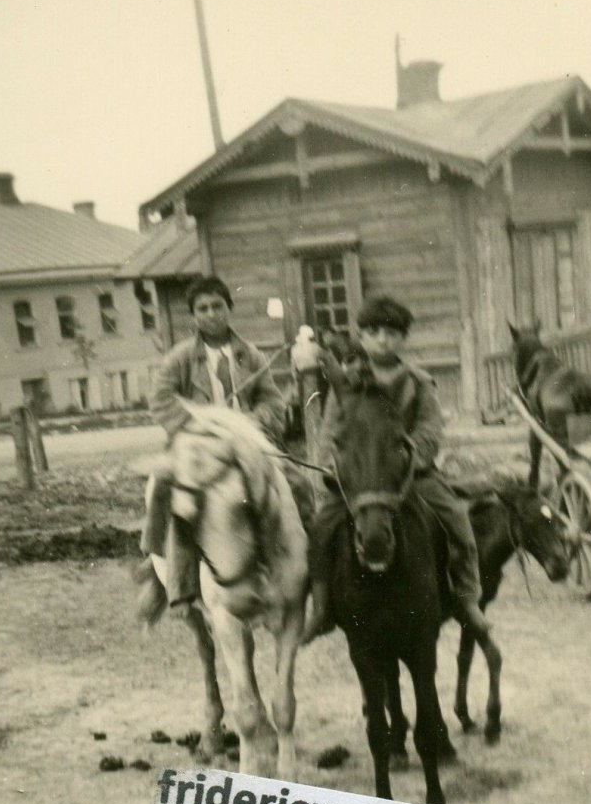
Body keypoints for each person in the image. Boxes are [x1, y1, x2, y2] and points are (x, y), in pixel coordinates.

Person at [302, 295, 490, 644]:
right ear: (361, 336)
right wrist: (330, 465)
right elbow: (330, 432)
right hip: (360, 478)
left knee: (456, 518)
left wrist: (406, 458)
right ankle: (321, 606)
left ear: (403, 338)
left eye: (391, 333)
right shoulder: (346, 385)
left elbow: (430, 430)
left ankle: (467, 598)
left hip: (408, 474)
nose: (383, 340)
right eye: (374, 333)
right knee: (321, 527)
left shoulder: (418, 382)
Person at [135, 275, 286, 623]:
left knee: (293, 484)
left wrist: (250, 422)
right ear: (193, 316)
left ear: (229, 309)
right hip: (197, 448)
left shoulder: (251, 355)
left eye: (217, 306)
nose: (211, 314)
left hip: (244, 445)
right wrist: (200, 428)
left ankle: (294, 571)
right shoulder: (180, 358)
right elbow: (161, 401)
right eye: (202, 308)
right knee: (172, 495)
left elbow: (273, 402)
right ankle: (179, 585)